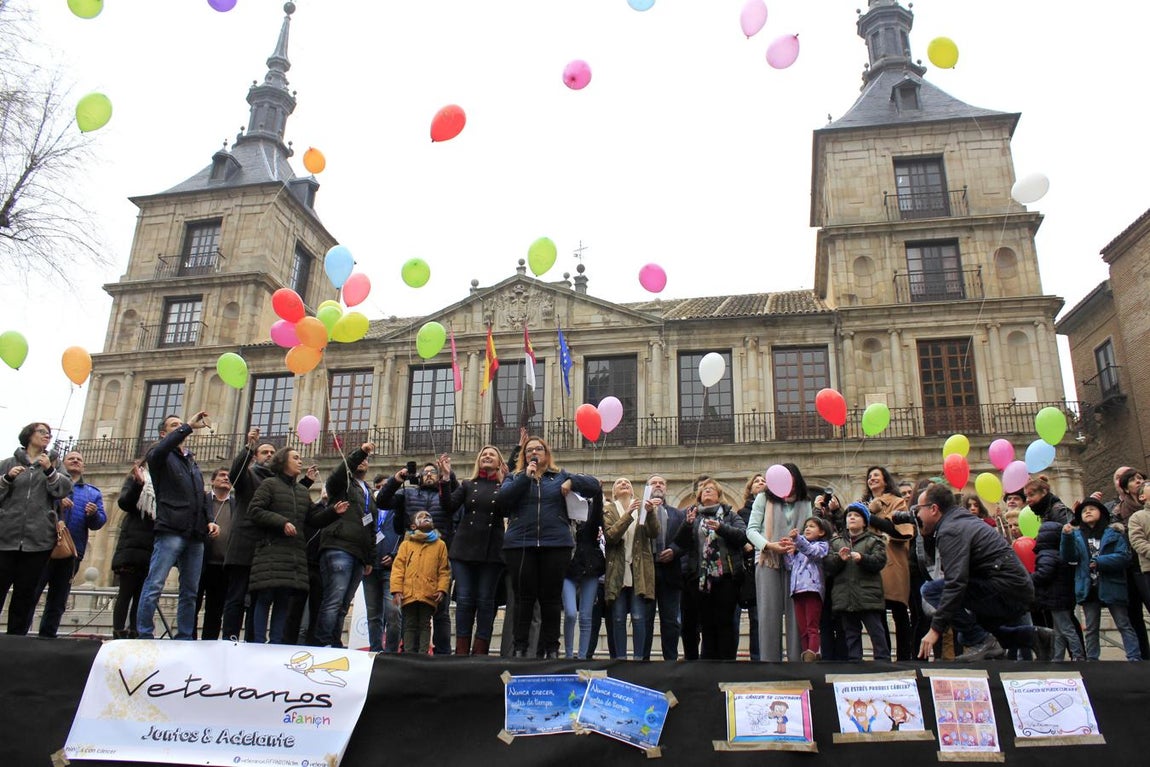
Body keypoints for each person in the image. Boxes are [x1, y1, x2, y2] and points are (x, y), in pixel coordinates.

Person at [916, 483, 1054, 662]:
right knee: (967, 636)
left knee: (931, 590)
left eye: (919, 509)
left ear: (933, 509)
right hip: (1015, 588)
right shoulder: (961, 520)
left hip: (1005, 589)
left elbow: (955, 583)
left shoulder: (950, 530)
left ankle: (984, 642)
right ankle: (1033, 637)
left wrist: (935, 629)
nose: (917, 515)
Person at [500, 435, 600, 659]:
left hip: (555, 544)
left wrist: (573, 482)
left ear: (546, 454)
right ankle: (519, 647)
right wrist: (526, 478)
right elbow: (504, 498)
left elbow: (594, 486)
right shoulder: (514, 477)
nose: (533, 453)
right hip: (520, 545)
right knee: (523, 598)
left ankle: (552, 649)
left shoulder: (560, 476)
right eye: (529, 451)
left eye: (538, 449)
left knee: (551, 599)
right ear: (524, 456)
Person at [247, 448, 344, 644]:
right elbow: (255, 510)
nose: (300, 461)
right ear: (283, 462)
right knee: (265, 598)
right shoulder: (269, 484)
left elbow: (313, 519)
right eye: (296, 458)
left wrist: (333, 511)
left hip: (293, 556)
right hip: (271, 552)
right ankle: (257, 642)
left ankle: (276, 643)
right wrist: (281, 522)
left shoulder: (301, 491)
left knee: (284, 601)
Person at [136, 412, 211, 640]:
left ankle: (185, 636)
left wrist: (208, 520)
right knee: (155, 583)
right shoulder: (159, 456)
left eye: (181, 425)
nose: (180, 428)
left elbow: (199, 496)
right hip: (171, 527)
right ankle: (145, 633)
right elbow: (161, 450)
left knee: (190, 591)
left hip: (194, 532)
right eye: (174, 425)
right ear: (163, 433)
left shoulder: (191, 462)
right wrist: (188, 425)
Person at [377, 457, 459, 654]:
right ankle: (409, 651)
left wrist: (448, 474)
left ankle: (442, 652)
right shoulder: (408, 494)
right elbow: (382, 501)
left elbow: (457, 499)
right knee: (410, 609)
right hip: (412, 556)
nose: (429, 474)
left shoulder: (446, 495)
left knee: (441, 610)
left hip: (439, 555)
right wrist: (396, 479)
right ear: (419, 477)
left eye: (434, 472)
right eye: (425, 472)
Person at [0, 422, 72, 635]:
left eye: (49, 434)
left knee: (26, 594)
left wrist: (50, 470)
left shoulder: (55, 465)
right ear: (29, 435)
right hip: (5, 538)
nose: (47, 436)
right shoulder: (7, 464)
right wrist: (7, 479)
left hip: (38, 541)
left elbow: (63, 490)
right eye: (42, 432)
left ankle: (16, 640)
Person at [440, 446, 507, 656]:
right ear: (479, 461)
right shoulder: (468, 485)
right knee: (465, 600)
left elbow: (508, 510)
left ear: (499, 463)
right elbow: (449, 506)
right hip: (464, 550)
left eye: (492, 455)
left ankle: (480, 651)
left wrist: (506, 483)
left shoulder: (504, 486)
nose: (487, 456)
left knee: (486, 600)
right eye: (484, 454)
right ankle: (460, 651)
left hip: (492, 552)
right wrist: (444, 479)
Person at [31, 451, 105, 638]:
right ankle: (20, 633)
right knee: (32, 592)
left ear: (83, 466)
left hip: (71, 551)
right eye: (71, 458)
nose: (75, 461)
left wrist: (94, 513)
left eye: (79, 459)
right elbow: (34, 507)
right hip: (43, 547)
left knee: (59, 598)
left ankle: (47, 636)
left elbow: (99, 523)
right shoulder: (48, 484)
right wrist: (57, 501)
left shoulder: (92, 493)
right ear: (63, 463)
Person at [673, 478, 746, 659]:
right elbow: (680, 543)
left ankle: (726, 663)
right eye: (704, 489)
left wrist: (721, 528)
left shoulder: (730, 515)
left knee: (725, 622)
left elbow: (742, 536)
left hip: (726, 578)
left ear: (719, 495)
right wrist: (687, 524)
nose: (707, 491)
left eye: (711, 489)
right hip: (700, 579)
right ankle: (708, 664)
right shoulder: (693, 515)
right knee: (706, 623)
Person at [1060, 499, 1141, 661]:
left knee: (1123, 624)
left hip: (1112, 584)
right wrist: (1066, 537)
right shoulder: (1076, 536)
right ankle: (1092, 660)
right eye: (1084, 511)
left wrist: (1100, 562)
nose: (1087, 512)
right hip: (1088, 587)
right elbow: (1069, 557)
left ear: (1102, 513)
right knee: (1090, 628)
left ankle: (1134, 658)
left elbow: (1124, 557)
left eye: (1092, 509)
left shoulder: (1114, 533)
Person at [747, 462, 810, 662]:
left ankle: (796, 663)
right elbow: (751, 530)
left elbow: (810, 531)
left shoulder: (805, 502)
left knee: (796, 615)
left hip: (798, 563)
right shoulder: (763, 498)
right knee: (768, 614)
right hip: (768, 560)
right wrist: (768, 546)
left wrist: (797, 545)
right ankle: (769, 664)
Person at [317, 442, 378, 647]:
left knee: (344, 604)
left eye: (366, 459)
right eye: (359, 459)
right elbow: (341, 471)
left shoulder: (367, 491)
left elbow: (371, 526)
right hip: (339, 546)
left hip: (359, 553)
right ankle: (324, 641)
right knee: (334, 599)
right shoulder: (342, 483)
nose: (363, 461)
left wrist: (370, 558)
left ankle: (334, 641)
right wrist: (361, 451)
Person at [221, 431, 278, 642]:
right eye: (265, 452)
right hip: (243, 545)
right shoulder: (249, 476)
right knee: (236, 596)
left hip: (264, 549)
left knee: (258, 599)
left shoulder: (276, 480)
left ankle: (254, 640)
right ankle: (230, 637)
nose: (269, 455)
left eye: (273, 452)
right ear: (255, 456)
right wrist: (248, 446)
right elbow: (235, 472)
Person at [823, 502, 889, 661]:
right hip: (845, 597)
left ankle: (883, 662)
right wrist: (840, 559)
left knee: (876, 632)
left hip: (868, 596)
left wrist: (863, 559)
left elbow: (880, 561)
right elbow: (828, 565)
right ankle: (855, 664)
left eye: (856, 515)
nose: (852, 518)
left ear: (865, 521)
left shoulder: (874, 541)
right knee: (851, 634)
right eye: (849, 515)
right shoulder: (836, 543)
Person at [863, 465, 915, 661]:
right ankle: (882, 656)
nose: (872, 478)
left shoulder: (897, 502)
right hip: (870, 563)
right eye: (869, 476)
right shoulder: (863, 504)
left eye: (876, 475)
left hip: (892, 561)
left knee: (899, 611)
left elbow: (900, 530)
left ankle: (904, 657)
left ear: (885, 480)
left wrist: (872, 516)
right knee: (877, 613)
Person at [604, 477, 659, 660]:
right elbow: (611, 535)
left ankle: (638, 660)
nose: (624, 484)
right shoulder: (609, 510)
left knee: (638, 617)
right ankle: (620, 659)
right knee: (618, 618)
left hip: (638, 571)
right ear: (614, 492)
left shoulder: (642, 508)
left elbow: (654, 533)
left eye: (627, 482)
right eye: (619, 483)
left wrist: (650, 513)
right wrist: (628, 514)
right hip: (618, 571)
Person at [391, 510, 451, 655]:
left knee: (425, 624)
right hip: (408, 592)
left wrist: (442, 589)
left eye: (428, 516)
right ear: (413, 526)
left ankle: (423, 654)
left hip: (428, 592)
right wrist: (397, 589)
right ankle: (409, 653)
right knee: (409, 624)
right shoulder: (406, 545)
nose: (426, 518)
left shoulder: (440, 545)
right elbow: (398, 568)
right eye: (421, 517)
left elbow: (444, 570)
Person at [110, 458, 155, 639]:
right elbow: (125, 503)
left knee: (141, 595)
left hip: (150, 547)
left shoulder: (162, 484)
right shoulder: (136, 479)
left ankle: (135, 630)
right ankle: (119, 630)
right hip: (131, 546)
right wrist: (138, 484)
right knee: (126, 591)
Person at [644, 474, 686, 661]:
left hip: (670, 573)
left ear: (666, 488)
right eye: (654, 483)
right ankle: (642, 659)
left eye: (662, 483)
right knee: (645, 620)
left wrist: (674, 550)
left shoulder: (679, 514)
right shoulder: (640, 512)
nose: (658, 485)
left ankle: (670, 661)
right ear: (647, 488)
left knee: (671, 622)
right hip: (647, 573)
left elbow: (686, 540)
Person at [1031, 520, 1084, 661]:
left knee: (1066, 628)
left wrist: (1028, 577)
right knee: (1059, 630)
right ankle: (1058, 657)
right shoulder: (1060, 553)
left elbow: (1043, 574)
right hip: (1062, 597)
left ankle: (1078, 656)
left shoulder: (1046, 554)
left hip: (1055, 598)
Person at [563, 480, 604, 659]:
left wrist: (597, 489)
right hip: (568, 568)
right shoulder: (565, 517)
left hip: (590, 568)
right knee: (571, 613)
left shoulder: (592, 519)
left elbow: (598, 509)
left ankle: (582, 657)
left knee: (586, 616)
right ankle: (568, 654)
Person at [786, 516, 832, 661]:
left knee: (812, 625)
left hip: (812, 590)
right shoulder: (799, 550)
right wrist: (788, 551)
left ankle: (813, 651)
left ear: (822, 532)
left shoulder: (822, 546)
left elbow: (812, 552)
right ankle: (807, 653)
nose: (807, 528)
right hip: (797, 591)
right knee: (803, 627)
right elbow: (790, 566)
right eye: (806, 526)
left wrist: (798, 540)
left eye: (812, 526)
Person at [362, 492, 404, 653]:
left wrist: (395, 555)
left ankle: (391, 653)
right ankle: (375, 650)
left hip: (392, 570)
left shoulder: (398, 510)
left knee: (393, 612)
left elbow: (405, 536)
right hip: (370, 568)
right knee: (373, 615)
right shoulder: (369, 511)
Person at [196, 467, 233, 640]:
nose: (226, 478)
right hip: (200, 561)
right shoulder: (202, 500)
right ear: (212, 480)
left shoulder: (235, 503)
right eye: (222, 475)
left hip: (223, 566)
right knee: (193, 604)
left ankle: (209, 642)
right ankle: (189, 640)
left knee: (215, 610)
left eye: (228, 476)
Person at [735, 473, 765, 661]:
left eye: (764, 481)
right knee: (744, 617)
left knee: (761, 617)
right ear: (750, 488)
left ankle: (762, 655)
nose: (761, 484)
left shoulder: (773, 510)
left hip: (766, 565)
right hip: (747, 568)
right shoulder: (741, 513)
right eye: (757, 482)